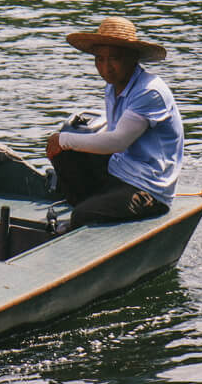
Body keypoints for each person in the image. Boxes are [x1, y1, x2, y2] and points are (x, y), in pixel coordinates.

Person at [43, 17, 184, 227]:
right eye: (99, 59)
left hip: (148, 186)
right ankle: (95, 204)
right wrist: (63, 144)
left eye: (114, 59)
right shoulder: (112, 87)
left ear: (133, 58)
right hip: (121, 169)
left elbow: (118, 142)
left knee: (82, 215)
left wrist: (63, 139)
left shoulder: (149, 91)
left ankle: (89, 212)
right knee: (65, 154)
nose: (106, 67)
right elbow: (111, 137)